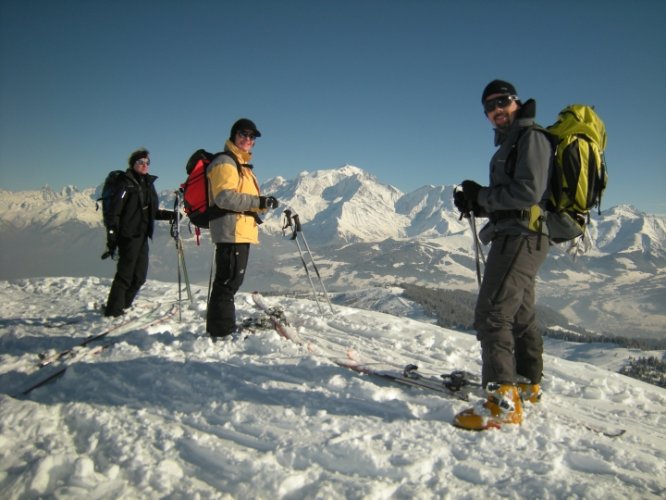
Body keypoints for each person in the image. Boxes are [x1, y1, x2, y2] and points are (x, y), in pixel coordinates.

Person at [452, 80, 552, 430]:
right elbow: (515, 198)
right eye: (489, 108)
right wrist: (477, 202)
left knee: (492, 313)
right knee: (519, 314)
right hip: (520, 235)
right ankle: (527, 384)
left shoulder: (530, 138)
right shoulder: (513, 143)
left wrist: (482, 198)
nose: (497, 111)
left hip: (519, 239)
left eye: (502, 102)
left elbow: (527, 192)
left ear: (516, 101)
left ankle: (502, 402)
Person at [206, 118, 279, 340]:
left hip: (238, 229)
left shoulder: (241, 165)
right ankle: (221, 332)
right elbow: (224, 197)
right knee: (228, 282)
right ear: (233, 136)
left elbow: (238, 198)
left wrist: (261, 205)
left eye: (251, 137)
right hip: (231, 230)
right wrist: (258, 202)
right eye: (243, 134)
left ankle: (221, 328)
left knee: (230, 281)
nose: (247, 139)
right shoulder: (226, 162)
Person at [104, 148, 175, 317]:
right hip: (128, 236)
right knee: (125, 275)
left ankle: (124, 306)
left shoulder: (147, 185)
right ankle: (113, 311)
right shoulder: (125, 184)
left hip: (142, 235)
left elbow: (152, 212)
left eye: (147, 162)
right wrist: (112, 236)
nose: (144, 165)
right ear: (133, 164)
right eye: (140, 162)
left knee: (140, 277)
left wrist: (171, 215)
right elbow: (114, 213)